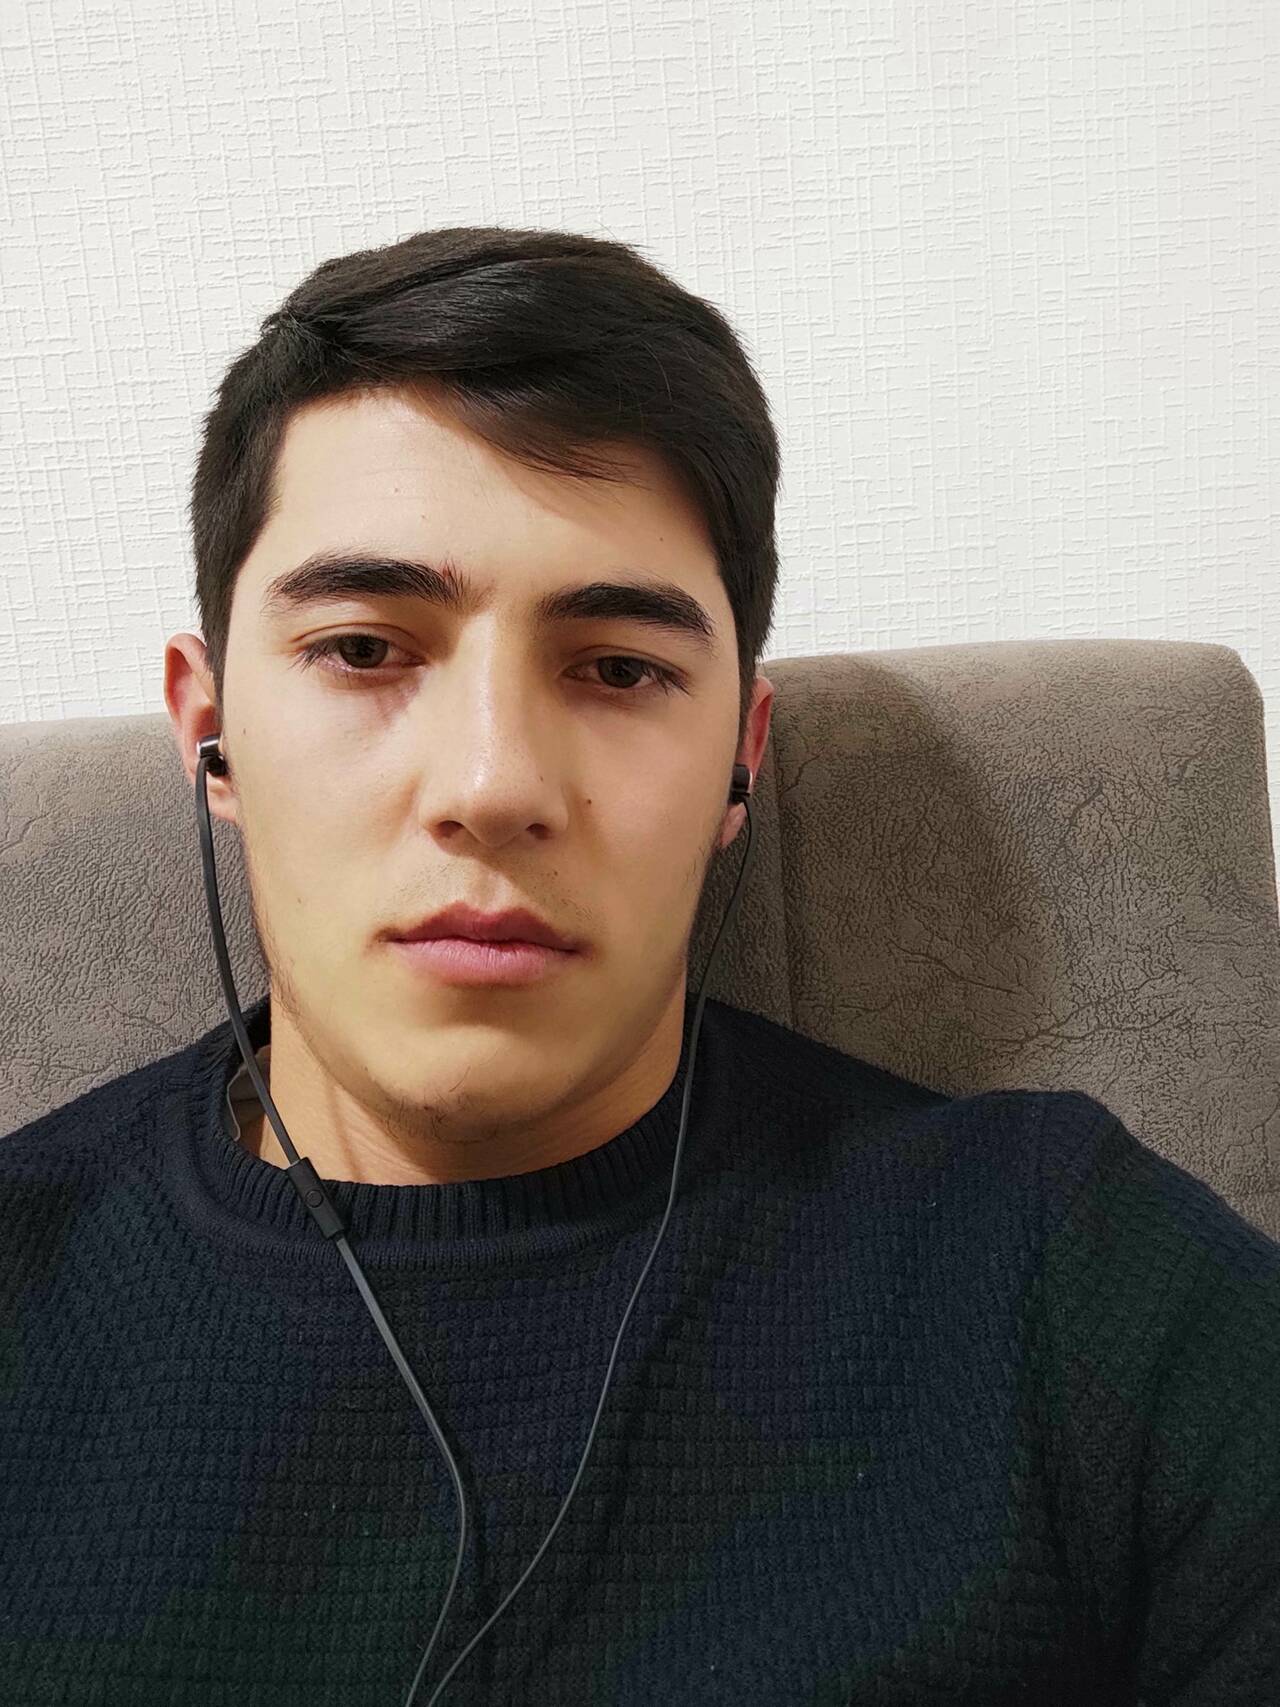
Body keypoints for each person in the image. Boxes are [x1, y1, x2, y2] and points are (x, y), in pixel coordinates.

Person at [3, 226, 1277, 1707]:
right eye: (362, 650)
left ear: (743, 754)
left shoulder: (1067, 1273)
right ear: (208, 728)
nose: (492, 785)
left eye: (618, 669)